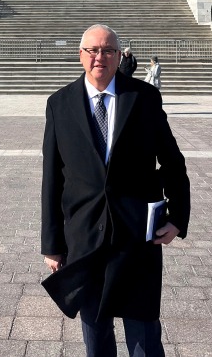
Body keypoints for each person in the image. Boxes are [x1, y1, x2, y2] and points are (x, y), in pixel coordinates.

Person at [41, 24, 190, 357]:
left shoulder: (144, 98)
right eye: (92, 51)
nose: (100, 58)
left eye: (108, 51)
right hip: (85, 238)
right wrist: (53, 245)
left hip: (137, 235)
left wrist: (178, 218)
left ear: (119, 56)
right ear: (80, 56)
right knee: (95, 334)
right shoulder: (59, 104)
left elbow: (172, 162)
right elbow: (52, 179)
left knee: (144, 335)